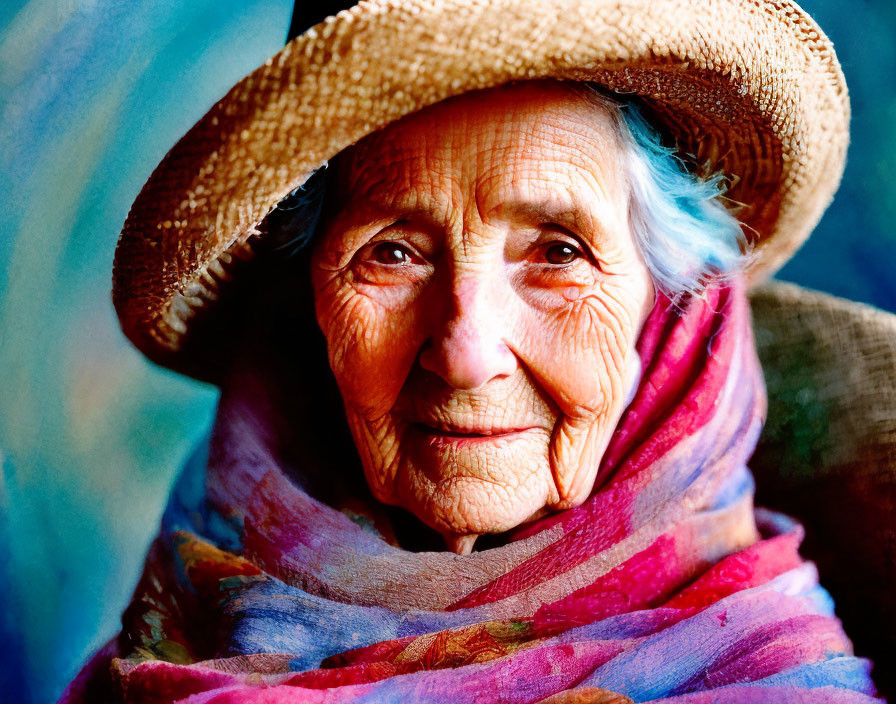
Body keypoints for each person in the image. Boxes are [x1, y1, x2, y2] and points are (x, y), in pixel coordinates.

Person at [62, 1, 885, 701]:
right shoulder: (182, 624)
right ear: (308, 295)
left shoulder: (770, 678)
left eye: (557, 253)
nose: (464, 353)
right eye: (391, 252)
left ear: (668, 306)